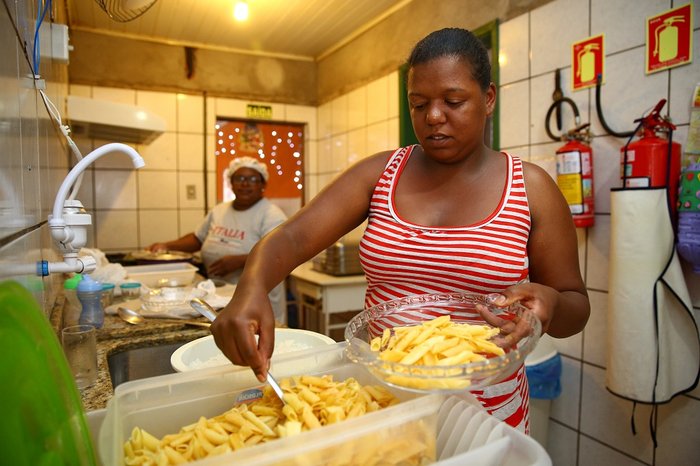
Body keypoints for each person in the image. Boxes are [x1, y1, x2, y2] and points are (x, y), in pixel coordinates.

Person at [210, 28, 590, 432]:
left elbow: (575, 307)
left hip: (488, 415)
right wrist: (251, 287)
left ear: (489, 98)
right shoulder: (381, 173)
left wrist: (550, 303)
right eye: (419, 104)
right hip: (386, 404)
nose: (433, 117)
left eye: (454, 101)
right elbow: (293, 237)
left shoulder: (530, 188)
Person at [147, 156, 288, 323]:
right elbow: (197, 239)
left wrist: (239, 261)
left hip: (257, 300)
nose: (245, 184)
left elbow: (280, 254)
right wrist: (166, 246)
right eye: (239, 178)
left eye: (252, 179)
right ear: (231, 182)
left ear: (262, 184)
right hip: (220, 297)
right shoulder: (219, 210)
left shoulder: (271, 215)